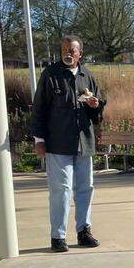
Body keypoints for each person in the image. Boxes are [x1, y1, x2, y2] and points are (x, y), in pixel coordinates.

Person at [31, 35, 105, 253]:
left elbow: (99, 109)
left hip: (84, 143)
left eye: (72, 50)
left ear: (80, 53)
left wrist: (95, 104)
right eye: (64, 49)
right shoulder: (51, 74)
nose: (68, 53)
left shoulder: (87, 76)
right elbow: (39, 108)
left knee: (85, 188)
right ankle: (58, 236)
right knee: (61, 190)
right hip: (58, 144)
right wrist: (39, 139)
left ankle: (84, 232)